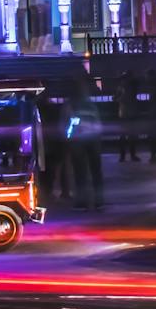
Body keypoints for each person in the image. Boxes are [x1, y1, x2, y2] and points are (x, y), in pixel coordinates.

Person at [65, 73, 105, 210]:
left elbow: (67, 124)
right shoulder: (91, 104)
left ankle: (82, 202)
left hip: (78, 141)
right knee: (96, 171)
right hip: (93, 140)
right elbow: (98, 122)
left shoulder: (70, 105)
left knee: (80, 173)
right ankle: (99, 201)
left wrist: (69, 138)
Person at [114, 73, 140, 163]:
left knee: (126, 136)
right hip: (127, 114)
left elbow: (117, 98)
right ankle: (128, 155)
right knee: (127, 136)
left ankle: (125, 156)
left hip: (125, 114)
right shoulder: (126, 89)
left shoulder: (124, 88)